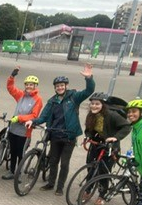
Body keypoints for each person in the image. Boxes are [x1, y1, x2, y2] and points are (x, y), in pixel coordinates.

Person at [25, 64, 95, 195]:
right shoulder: (52, 101)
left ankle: (60, 187)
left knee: (64, 163)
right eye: (57, 86)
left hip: (69, 136)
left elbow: (89, 90)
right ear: (55, 88)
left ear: (66, 86)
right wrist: (32, 121)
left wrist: (89, 78)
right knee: (53, 161)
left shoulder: (74, 97)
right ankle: (51, 183)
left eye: (62, 85)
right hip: (55, 135)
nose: (60, 87)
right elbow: (43, 117)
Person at [81, 92, 132, 205]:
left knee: (103, 172)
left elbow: (127, 126)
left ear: (103, 105)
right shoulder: (91, 115)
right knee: (91, 168)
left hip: (110, 147)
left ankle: (102, 196)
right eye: (92, 103)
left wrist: (115, 137)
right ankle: (88, 191)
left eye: (97, 104)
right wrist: (88, 136)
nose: (94, 106)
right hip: (97, 144)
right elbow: (89, 129)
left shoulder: (112, 115)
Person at [3, 67, 43, 179]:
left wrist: (19, 118)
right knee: (13, 151)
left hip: (24, 132)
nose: (29, 86)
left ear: (35, 86)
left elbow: (34, 116)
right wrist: (12, 76)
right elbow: (10, 88)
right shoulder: (21, 95)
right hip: (13, 128)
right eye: (27, 84)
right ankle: (11, 171)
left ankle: (18, 173)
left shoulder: (38, 99)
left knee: (21, 153)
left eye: (32, 85)